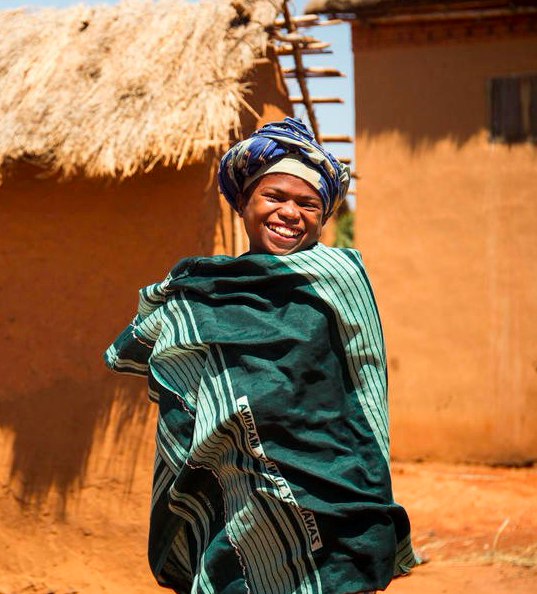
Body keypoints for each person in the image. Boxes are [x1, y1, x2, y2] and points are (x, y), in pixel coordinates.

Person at [104, 117, 418, 594]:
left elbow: (364, 389)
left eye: (307, 204)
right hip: (240, 488)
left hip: (333, 479)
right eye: (274, 197)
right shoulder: (204, 292)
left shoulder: (339, 280)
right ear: (244, 203)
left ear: (322, 215)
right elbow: (162, 355)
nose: (289, 212)